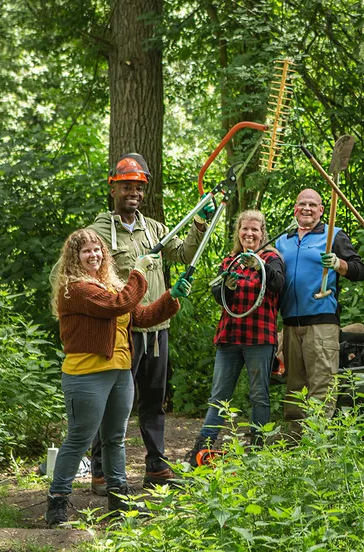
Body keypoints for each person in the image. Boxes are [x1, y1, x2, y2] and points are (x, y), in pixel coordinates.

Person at [45, 229, 191, 526]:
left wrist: (171, 297)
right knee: (79, 439)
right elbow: (119, 304)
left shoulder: (109, 285)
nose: (94, 255)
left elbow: (142, 316)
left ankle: (119, 501)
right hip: (86, 376)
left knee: (115, 439)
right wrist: (138, 271)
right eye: (86, 251)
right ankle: (57, 504)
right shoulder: (75, 289)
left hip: (120, 373)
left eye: (97, 250)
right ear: (74, 257)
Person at [88, 153, 214, 493]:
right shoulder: (98, 233)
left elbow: (186, 253)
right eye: (126, 186)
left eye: (139, 187)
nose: (134, 193)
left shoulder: (155, 228)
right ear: (113, 189)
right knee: (114, 401)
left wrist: (199, 225)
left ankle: (156, 465)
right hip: (121, 332)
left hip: (157, 329)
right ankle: (100, 470)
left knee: (154, 401)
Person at [188, 210, 285, 463]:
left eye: (255, 230)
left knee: (259, 395)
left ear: (262, 232)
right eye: (245, 229)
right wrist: (225, 287)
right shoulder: (230, 260)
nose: (249, 234)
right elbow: (220, 299)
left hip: (260, 338)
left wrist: (260, 266)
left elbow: (277, 284)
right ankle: (202, 448)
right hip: (229, 337)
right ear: (238, 233)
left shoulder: (272, 258)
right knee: (219, 396)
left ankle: (258, 451)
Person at [275, 188, 364, 428]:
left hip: (321, 322)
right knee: (294, 386)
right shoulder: (282, 240)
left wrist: (339, 263)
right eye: (302, 204)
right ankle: (294, 441)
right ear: (295, 209)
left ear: (321, 210)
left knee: (322, 385)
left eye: (313, 205)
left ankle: (316, 445)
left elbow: (359, 270)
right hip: (290, 324)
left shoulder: (333, 235)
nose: (307, 208)